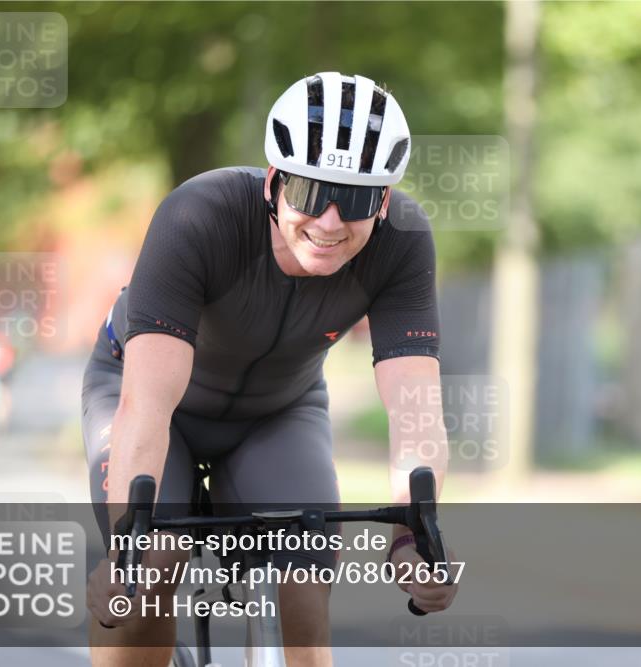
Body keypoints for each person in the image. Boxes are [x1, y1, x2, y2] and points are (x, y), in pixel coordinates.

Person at [83, 72, 456, 667]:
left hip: (279, 411)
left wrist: (413, 537)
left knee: (307, 582)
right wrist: (126, 548)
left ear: (383, 201)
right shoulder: (198, 215)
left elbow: (416, 410)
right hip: (152, 400)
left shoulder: (403, 243)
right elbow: (147, 407)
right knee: (149, 573)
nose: (330, 222)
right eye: (310, 192)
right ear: (274, 184)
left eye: (357, 199)